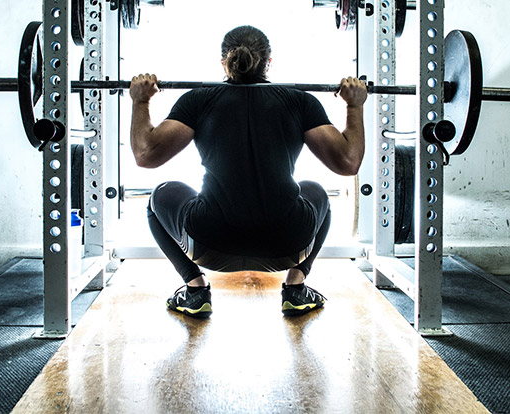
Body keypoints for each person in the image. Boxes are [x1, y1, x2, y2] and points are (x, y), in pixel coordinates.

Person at [129, 25, 366, 319]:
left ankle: (195, 289)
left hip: (209, 244)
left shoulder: (199, 100)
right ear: (268, 62)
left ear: (223, 63)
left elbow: (145, 155)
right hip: (288, 245)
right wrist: (354, 106)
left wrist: (140, 101)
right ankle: (296, 285)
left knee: (159, 195)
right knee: (317, 193)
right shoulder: (299, 101)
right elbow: (348, 163)